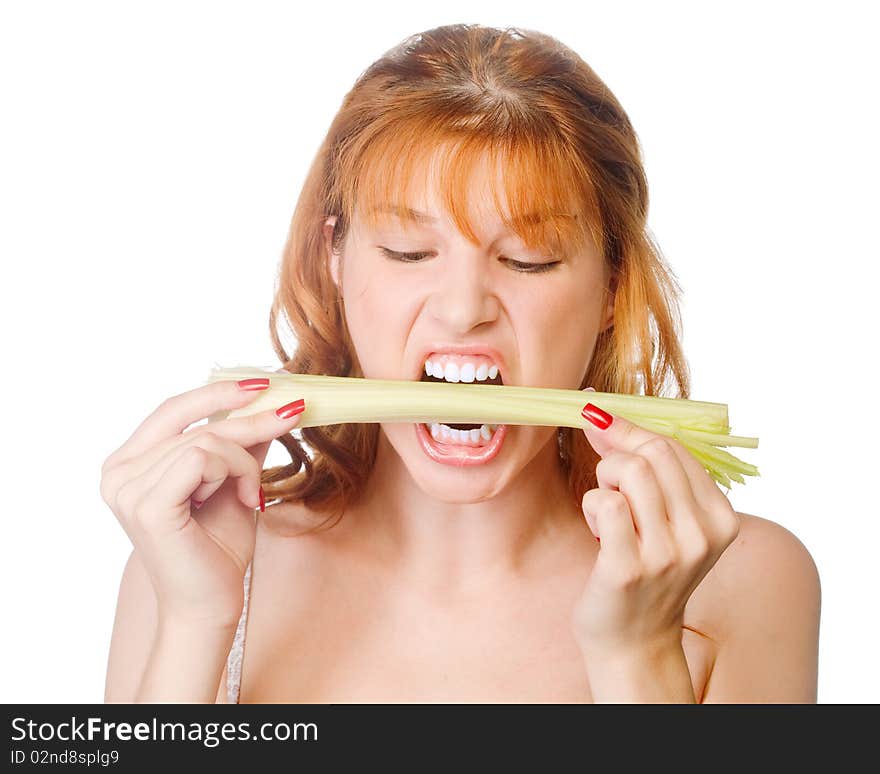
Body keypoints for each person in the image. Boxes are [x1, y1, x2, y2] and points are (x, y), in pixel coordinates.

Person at [101, 24, 820, 703]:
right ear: (335, 259)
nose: (461, 308)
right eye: (408, 252)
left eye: (527, 259)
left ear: (611, 285)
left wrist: (637, 657)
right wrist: (197, 624)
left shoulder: (737, 579)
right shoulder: (195, 569)